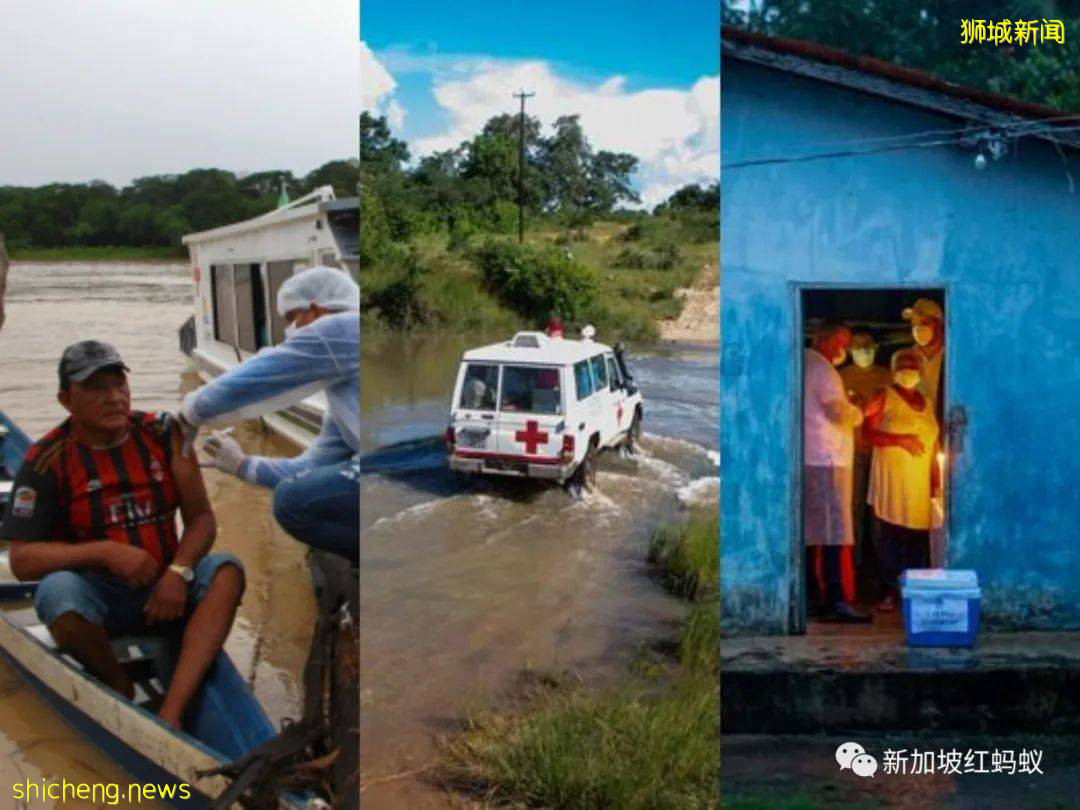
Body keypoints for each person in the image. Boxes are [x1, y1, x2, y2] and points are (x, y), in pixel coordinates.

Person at [0, 341, 244, 729]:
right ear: (66, 400)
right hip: (98, 599)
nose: (114, 398)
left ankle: (172, 710)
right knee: (58, 594)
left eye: (120, 385)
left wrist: (178, 573)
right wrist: (105, 553)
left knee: (227, 571)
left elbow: (201, 519)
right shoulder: (47, 460)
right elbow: (23, 560)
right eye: (97, 388)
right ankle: (117, 682)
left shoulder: (164, 435)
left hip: (167, 593)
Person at [177, 266, 359, 565]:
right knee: (299, 493)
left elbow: (253, 379)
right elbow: (310, 466)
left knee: (293, 501)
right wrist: (242, 465)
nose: (292, 330)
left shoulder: (344, 327)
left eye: (292, 319)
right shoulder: (344, 405)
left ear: (313, 309)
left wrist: (188, 414)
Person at [864, 349, 941, 612]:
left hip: (918, 483)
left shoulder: (927, 402)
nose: (908, 369)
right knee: (890, 534)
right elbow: (868, 435)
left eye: (913, 364)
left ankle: (916, 590)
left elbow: (934, 446)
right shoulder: (884, 396)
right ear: (894, 369)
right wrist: (900, 440)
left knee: (917, 537)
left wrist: (936, 480)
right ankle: (889, 590)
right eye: (903, 365)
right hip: (891, 480)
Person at [803, 323, 870, 622]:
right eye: (839, 343)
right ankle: (835, 599)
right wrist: (861, 411)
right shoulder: (824, 370)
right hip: (827, 459)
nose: (841, 350)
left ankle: (810, 594)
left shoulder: (803, 361)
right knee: (832, 530)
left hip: (811, 456)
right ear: (825, 341)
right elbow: (838, 413)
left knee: (812, 530)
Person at [839, 333, 890, 579]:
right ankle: (854, 568)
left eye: (869, 346)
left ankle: (881, 572)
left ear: (877, 347)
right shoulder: (841, 376)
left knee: (881, 512)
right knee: (853, 510)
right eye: (859, 347)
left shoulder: (887, 374)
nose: (864, 351)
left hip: (882, 453)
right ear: (849, 350)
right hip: (851, 453)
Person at [902, 298, 944, 409]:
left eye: (925, 322)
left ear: (939, 323)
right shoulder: (905, 358)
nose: (919, 328)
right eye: (914, 323)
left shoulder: (953, 358)